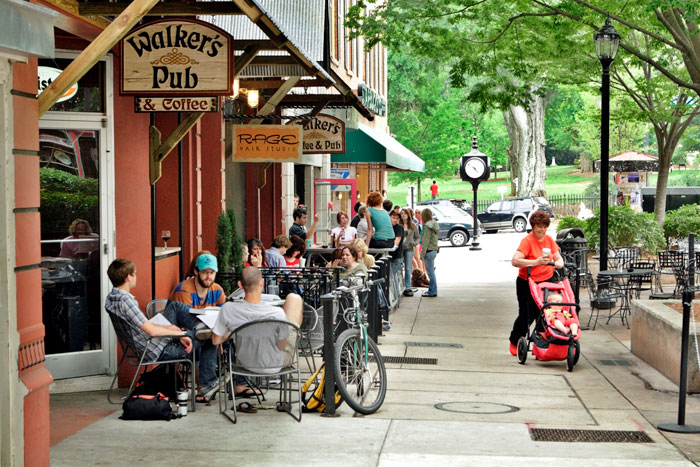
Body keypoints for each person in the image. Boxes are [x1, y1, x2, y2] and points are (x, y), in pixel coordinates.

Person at [106, 258, 218, 402]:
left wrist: (167, 327)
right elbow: (151, 331)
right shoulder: (126, 301)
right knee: (211, 336)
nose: (136, 277)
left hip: (152, 343)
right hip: (157, 350)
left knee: (175, 307)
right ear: (128, 277)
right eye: (135, 274)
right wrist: (180, 333)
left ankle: (201, 328)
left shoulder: (112, 298)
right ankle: (207, 383)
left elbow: (145, 325)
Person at [212, 267, 302, 379]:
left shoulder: (228, 309)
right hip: (275, 364)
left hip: (244, 364)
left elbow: (215, 340)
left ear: (240, 285)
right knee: (294, 299)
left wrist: (232, 332)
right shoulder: (276, 313)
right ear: (262, 283)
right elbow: (281, 346)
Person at [508, 210, 564, 356]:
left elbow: (559, 258)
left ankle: (540, 340)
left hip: (547, 282)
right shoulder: (527, 241)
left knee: (546, 312)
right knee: (526, 315)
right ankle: (515, 341)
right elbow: (515, 260)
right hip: (527, 282)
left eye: (545, 226)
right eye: (539, 226)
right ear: (533, 226)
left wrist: (558, 263)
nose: (542, 229)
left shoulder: (549, 240)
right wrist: (536, 262)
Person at [400, 208, 420, 296]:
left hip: (409, 249)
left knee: (408, 268)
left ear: (408, 215)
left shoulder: (413, 225)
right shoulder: (398, 225)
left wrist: (415, 243)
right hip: (399, 249)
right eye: (401, 213)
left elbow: (418, 237)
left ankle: (407, 287)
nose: (403, 215)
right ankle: (400, 286)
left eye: (404, 213)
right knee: (399, 268)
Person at [420, 208, 439, 297]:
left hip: (429, 250)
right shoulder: (434, 224)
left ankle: (433, 291)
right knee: (431, 272)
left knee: (430, 272)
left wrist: (422, 254)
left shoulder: (427, 226)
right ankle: (431, 290)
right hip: (434, 249)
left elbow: (425, 241)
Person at [389, 211, 407, 295]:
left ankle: (396, 296)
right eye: (393, 218)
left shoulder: (399, 227)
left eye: (397, 218)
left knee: (392, 276)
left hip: (396, 256)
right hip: (389, 256)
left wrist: (394, 246)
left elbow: (397, 240)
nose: (395, 220)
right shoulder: (387, 227)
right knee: (392, 276)